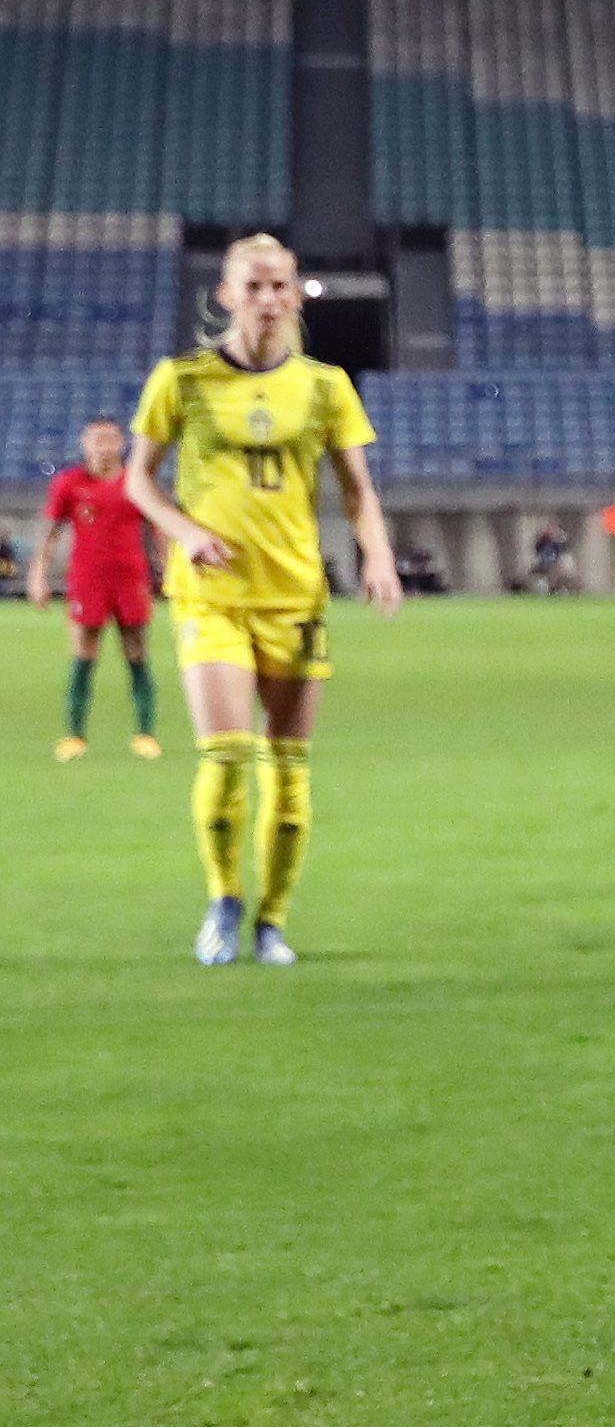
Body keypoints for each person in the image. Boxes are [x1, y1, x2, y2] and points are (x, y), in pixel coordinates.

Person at [126, 232, 398, 967]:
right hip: (210, 596)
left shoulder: (324, 385)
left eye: (280, 285)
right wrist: (182, 529)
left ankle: (272, 921)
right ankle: (223, 901)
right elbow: (137, 479)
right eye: (254, 286)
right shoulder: (180, 380)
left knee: (288, 768)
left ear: (295, 292)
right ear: (227, 294)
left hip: (296, 597)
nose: (269, 298)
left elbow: (358, 491)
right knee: (225, 756)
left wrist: (376, 554)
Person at [41, 414, 164, 759]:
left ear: (122, 443)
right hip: (87, 581)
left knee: (137, 652)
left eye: (110, 439)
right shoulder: (68, 484)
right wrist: (38, 576)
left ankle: (145, 733)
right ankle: (75, 735)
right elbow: (51, 535)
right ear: (85, 444)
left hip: (131, 579)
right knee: (83, 654)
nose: (104, 447)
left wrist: (166, 570)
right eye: (97, 440)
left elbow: (157, 531)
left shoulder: (135, 483)